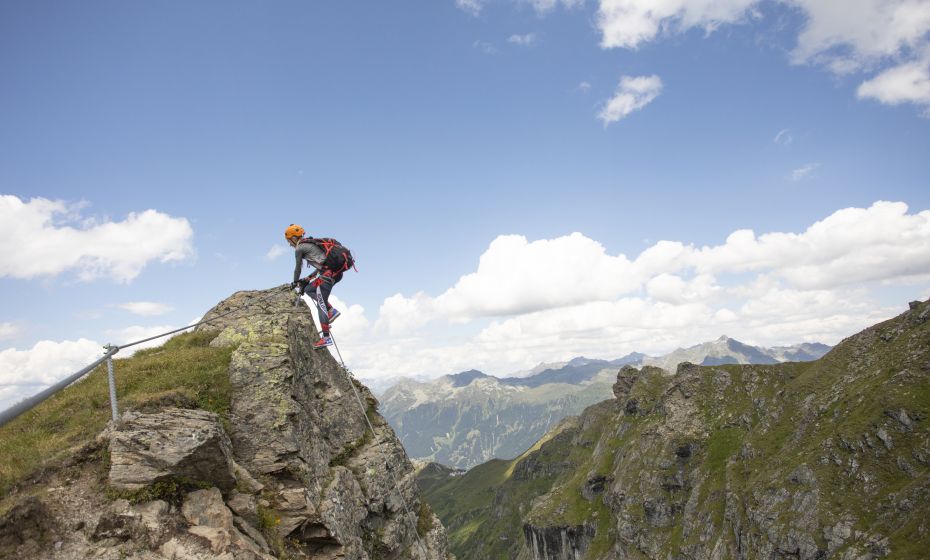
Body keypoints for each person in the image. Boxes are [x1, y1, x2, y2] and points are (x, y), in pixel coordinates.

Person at [285, 224, 344, 349]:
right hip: (333, 274)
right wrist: (308, 279)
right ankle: (331, 311)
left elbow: (297, 268)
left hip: (327, 276)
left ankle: (326, 338)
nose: (289, 244)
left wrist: (295, 282)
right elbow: (323, 265)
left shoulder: (300, 248)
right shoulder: (311, 245)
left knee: (320, 303)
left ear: (293, 239)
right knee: (309, 289)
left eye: (289, 241)